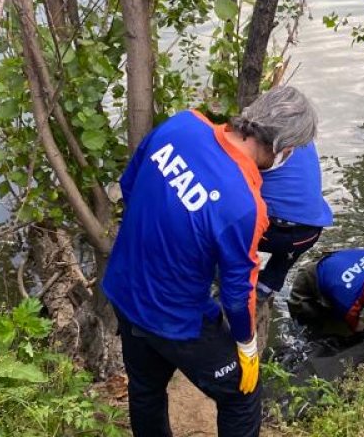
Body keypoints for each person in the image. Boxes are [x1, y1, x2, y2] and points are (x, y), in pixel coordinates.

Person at [102, 86, 318, 437]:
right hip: (176, 319)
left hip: (124, 287)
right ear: (281, 149)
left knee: (145, 389)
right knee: (242, 396)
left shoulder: (181, 125)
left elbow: (129, 186)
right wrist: (247, 347)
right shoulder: (246, 206)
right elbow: (237, 293)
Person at [257, 142, 334, 300]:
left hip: (269, 234)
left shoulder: (259, 140)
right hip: (310, 233)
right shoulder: (304, 135)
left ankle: (226, 273)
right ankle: (266, 286)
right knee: (287, 253)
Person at [288, 248, 364, 339]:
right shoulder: (348, 303)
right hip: (312, 275)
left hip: (339, 263)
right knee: (307, 319)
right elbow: (357, 327)